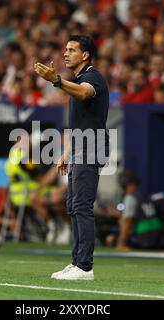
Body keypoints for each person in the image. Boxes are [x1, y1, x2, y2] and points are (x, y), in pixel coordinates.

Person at [34, 35, 109, 280]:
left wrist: (56, 80)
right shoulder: (76, 80)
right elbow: (80, 122)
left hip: (92, 147)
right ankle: (77, 261)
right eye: (65, 49)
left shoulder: (91, 77)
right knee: (73, 207)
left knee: (82, 207)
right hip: (80, 148)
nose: (65, 54)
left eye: (71, 50)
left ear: (85, 55)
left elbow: (84, 94)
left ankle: (85, 267)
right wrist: (67, 152)